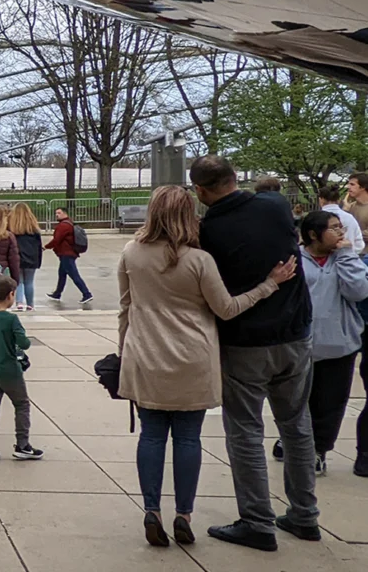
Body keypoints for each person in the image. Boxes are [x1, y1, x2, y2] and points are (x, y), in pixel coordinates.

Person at [118, 185, 297, 548]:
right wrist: (268, 286)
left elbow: (125, 307)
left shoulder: (131, 253)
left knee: (151, 436)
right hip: (193, 358)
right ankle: (184, 513)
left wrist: (124, 351)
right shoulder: (199, 260)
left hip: (146, 354)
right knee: (188, 437)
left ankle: (151, 508)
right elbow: (227, 309)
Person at [190, 155, 318, 551]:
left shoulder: (210, 231)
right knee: (297, 425)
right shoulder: (275, 206)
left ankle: (257, 522)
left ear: (201, 190)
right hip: (296, 333)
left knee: (245, 431)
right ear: (233, 178)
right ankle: (304, 515)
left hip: (244, 341)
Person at [278, 212, 368, 476]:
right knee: (296, 401)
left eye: (341, 228)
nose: (340, 233)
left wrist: (347, 256)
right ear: (313, 234)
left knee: (329, 403)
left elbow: (359, 291)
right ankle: (292, 441)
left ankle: (319, 450)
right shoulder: (294, 258)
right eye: (333, 229)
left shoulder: (346, 258)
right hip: (299, 344)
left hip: (338, 346)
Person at [0, 274, 42, 462]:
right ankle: (22, 444)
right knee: (21, 404)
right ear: (11, 295)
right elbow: (24, 343)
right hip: (10, 371)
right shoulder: (11, 319)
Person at [45, 207, 93, 304]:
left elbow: (57, 240)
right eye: (56, 213)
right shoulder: (69, 223)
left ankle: (87, 294)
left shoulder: (63, 226)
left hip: (66, 254)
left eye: (59, 213)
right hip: (68, 253)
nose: (57, 215)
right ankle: (57, 294)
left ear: (65, 214)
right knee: (62, 274)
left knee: (74, 275)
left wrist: (45, 247)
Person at [9, 202, 43, 311]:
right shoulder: (34, 229)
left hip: (17, 257)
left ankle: (19, 302)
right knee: (29, 282)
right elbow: (39, 246)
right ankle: (30, 304)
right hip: (31, 258)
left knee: (18, 281)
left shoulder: (12, 229)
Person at [318, 184, 364, 253]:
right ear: (339, 200)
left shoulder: (315, 218)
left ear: (321, 199)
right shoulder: (349, 218)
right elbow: (359, 244)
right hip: (347, 258)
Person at [343, 172, 368, 241]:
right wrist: (345, 212)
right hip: (351, 250)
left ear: (363, 187)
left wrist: (350, 234)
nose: (348, 187)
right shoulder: (349, 207)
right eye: (348, 184)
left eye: (352, 184)